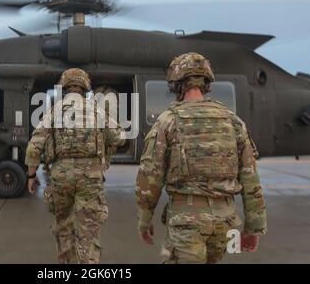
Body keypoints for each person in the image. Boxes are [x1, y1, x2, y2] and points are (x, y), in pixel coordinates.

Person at [135, 52, 267, 264]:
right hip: (226, 222)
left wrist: (144, 220)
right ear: (207, 83)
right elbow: (251, 179)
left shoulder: (167, 121)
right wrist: (254, 228)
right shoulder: (233, 121)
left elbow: (150, 176)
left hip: (187, 222)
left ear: (176, 84)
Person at [25, 68, 124, 263]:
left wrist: (31, 176)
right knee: (89, 230)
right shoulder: (96, 109)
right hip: (91, 177)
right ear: (85, 88)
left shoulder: (54, 111)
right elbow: (119, 137)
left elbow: (34, 147)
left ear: (64, 87)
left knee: (63, 226)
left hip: (61, 176)